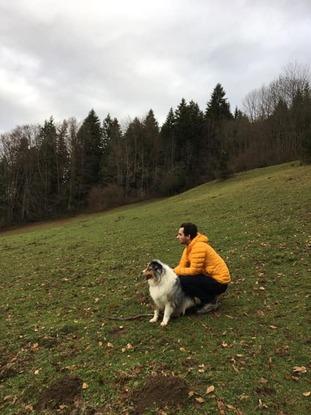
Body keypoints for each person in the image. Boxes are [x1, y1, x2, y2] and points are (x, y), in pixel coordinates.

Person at [174, 222, 230, 313]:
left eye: (180, 234)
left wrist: (176, 271)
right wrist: (172, 272)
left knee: (184, 280)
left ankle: (210, 301)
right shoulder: (189, 247)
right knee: (181, 278)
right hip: (210, 277)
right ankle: (199, 299)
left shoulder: (198, 247)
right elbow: (181, 266)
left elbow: (194, 271)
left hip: (220, 282)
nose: (177, 237)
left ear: (188, 236)